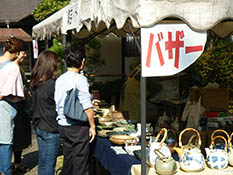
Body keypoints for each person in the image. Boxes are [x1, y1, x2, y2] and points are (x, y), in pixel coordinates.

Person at [54, 45, 96, 175]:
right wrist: (92, 126)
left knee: (69, 161)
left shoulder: (60, 79)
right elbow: (86, 106)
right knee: (81, 165)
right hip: (77, 127)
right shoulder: (80, 80)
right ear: (82, 62)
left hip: (63, 125)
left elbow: (58, 101)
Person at [30, 50, 60, 175]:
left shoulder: (35, 83)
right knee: (48, 164)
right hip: (50, 127)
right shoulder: (52, 84)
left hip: (38, 125)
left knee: (42, 162)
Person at [0, 37, 25, 175]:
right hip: (4, 106)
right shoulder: (13, 67)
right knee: (5, 142)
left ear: (4, 49)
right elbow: (8, 91)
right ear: (16, 53)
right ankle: (5, 171)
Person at [12, 49, 32, 174]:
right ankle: (14, 165)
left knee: (19, 136)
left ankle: (17, 163)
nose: (25, 55)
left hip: (21, 105)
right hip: (16, 105)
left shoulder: (18, 67)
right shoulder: (12, 68)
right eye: (22, 52)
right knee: (16, 136)